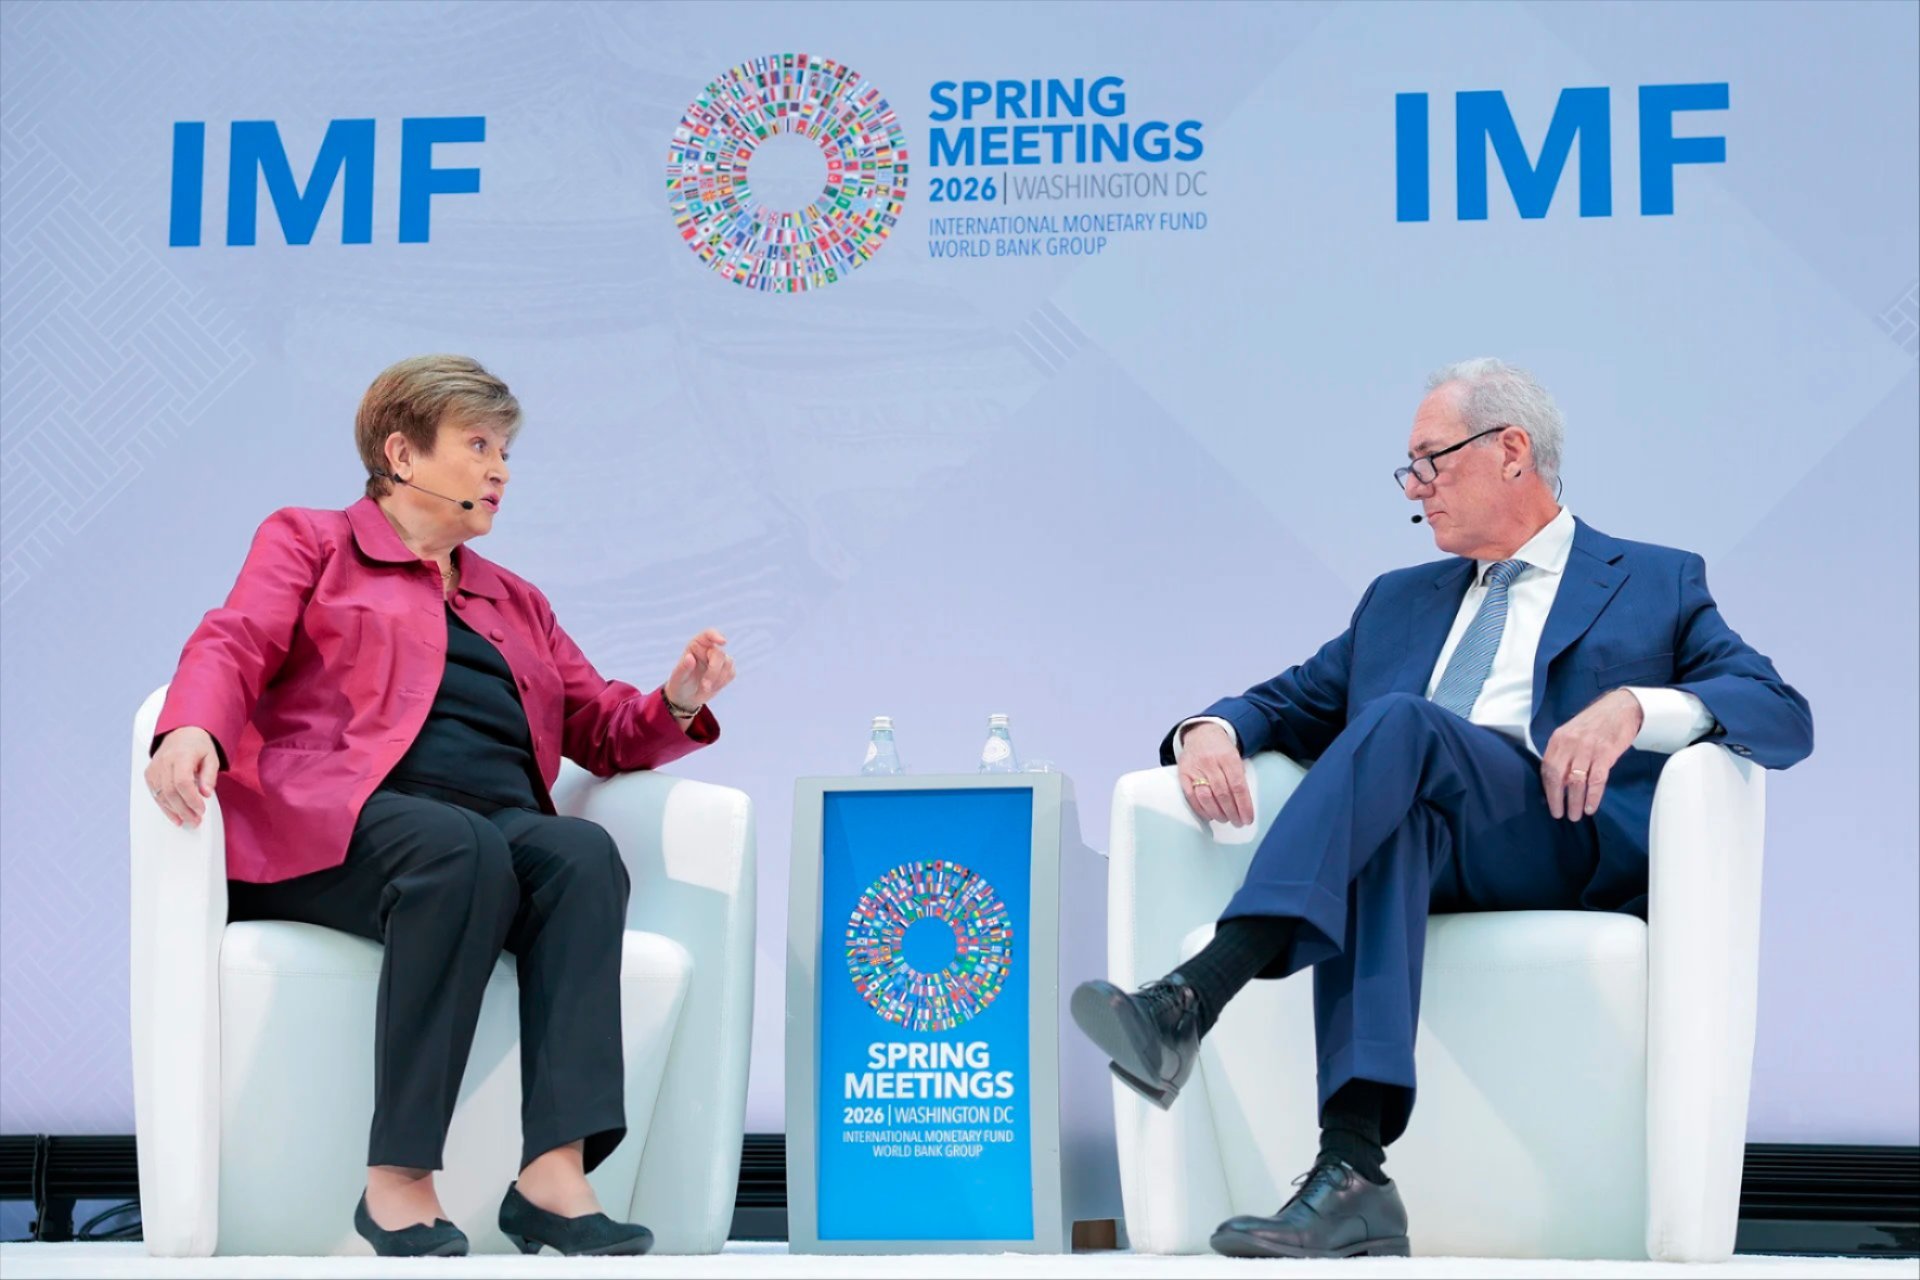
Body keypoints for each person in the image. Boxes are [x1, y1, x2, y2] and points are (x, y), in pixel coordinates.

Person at [1070, 358, 1813, 1260]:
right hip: (1427, 827)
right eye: (1410, 469)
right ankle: (1352, 1174)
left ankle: (1197, 993)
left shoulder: (1654, 580)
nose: (1415, 488)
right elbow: (1288, 701)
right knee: (1393, 818)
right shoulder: (1398, 601)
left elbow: (1781, 711)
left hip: (1557, 836)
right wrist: (1208, 731)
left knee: (1399, 725)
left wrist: (1635, 708)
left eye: (1430, 461)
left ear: (1512, 450)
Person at [144, 355, 736, 1258]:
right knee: (458, 848)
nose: (501, 470)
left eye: (506, 452)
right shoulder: (312, 541)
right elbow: (237, 638)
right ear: (402, 455)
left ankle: (554, 1175)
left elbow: (600, 727)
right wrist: (192, 725)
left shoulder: (514, 598)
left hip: (484, 832)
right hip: (341, 822)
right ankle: (398, 1181)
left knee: (581, 856)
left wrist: (678, 701)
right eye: (480, 445)